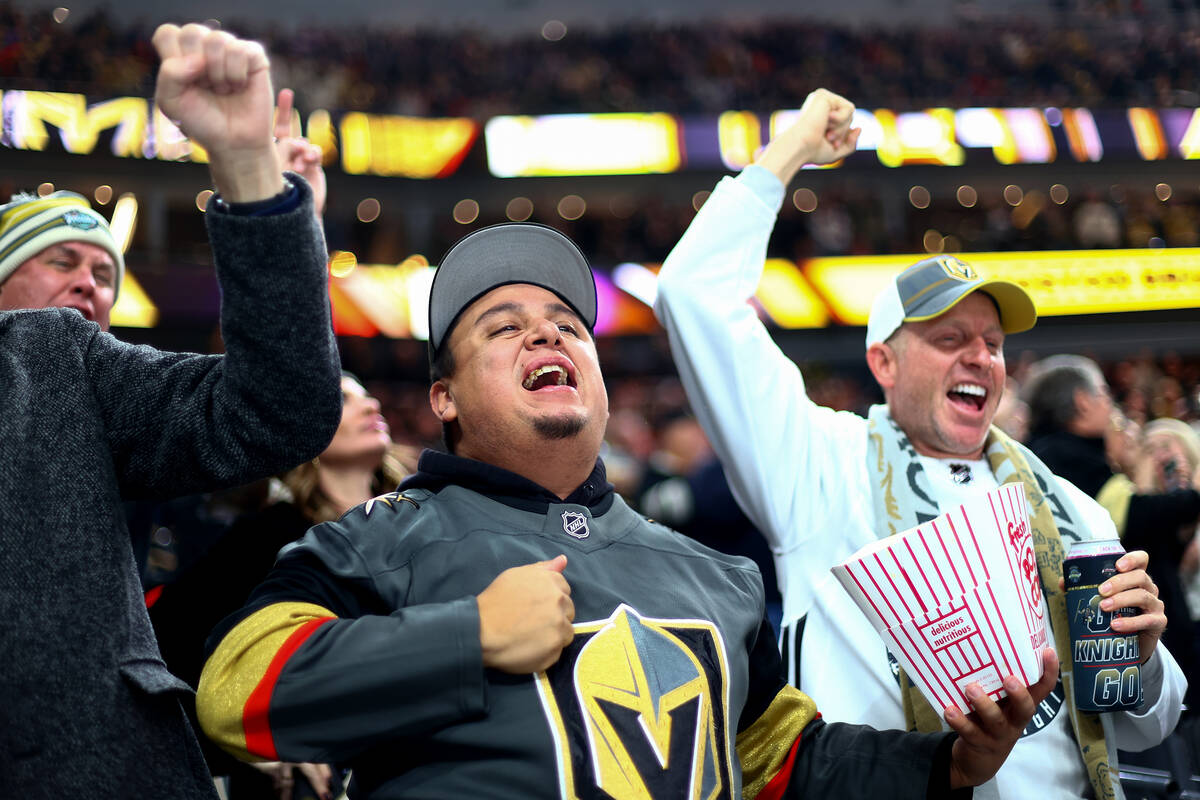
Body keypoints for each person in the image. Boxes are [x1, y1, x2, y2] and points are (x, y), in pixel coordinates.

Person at [197, 221, 1058, 799]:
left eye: (570, 325)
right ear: (444, 397)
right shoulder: (380, 540)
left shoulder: (714, 574)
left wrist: (951, 763)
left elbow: (785, 763)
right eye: (502, 328)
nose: (547, 335)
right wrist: (468, 636)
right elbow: (235, 689)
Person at [652, 88, 1185, 800]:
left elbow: (1147, 726)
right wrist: (792, 150)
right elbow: (693, 293)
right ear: (884, 363)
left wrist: (1142, 659)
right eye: (948, 339)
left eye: (993, 344)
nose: (979, 358)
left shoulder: (1069, 508)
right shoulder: (819, 464)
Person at [0, 23, 342, 799]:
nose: (91, 286)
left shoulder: (65, 367)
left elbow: (276, 405)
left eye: (104, 273)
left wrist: (255, 178)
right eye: (60, 262)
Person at [150, 374, 408, 800]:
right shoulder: (266, 536)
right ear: (304, 429)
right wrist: (248, 746)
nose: (372, 404)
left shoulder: (425, 524)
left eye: (368, 394)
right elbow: (169, 650)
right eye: (344, 398)